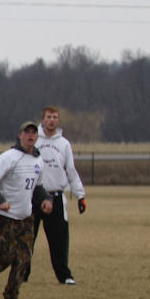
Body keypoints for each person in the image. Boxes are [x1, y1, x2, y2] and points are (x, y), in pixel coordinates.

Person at [0, 122, 52, 299]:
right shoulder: (8, 157)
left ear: (37, 137)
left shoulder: (38, 160)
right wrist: (0, 200)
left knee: (24, 257)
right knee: (5, 256)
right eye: (27, 132)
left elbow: (37, 187)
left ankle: (11, 296)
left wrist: (46, 199)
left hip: (26, 218)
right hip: (4, 217)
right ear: (20, 135)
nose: (30, 136)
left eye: (34, 133)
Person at [30, 107, 87, 284]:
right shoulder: (33, 140)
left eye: (55, 117)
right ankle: (22, 274)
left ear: (59, 121)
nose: (52, 120)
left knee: (59, 240)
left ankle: (64, 275)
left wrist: (80, 195)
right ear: (43, 119)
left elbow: (71, 170)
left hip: (55, 197)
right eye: (49, 117)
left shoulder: (64, 144)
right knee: (27, 238)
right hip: (33, 197)